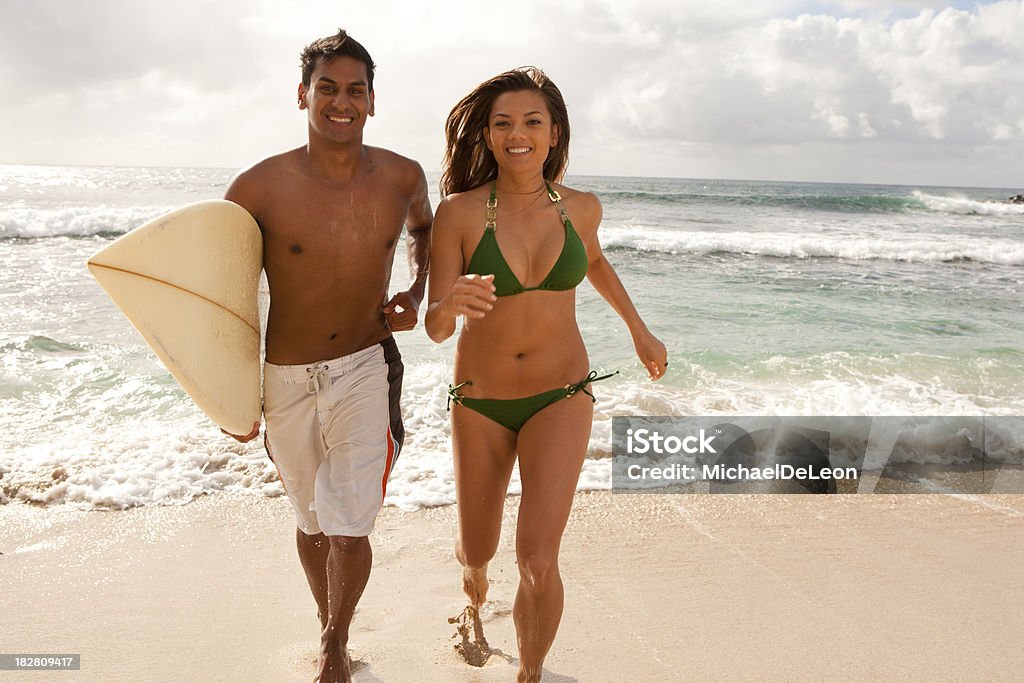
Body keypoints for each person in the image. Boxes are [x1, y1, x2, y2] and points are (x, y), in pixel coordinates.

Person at [424, 67, 667, 682]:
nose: (518, 135)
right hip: (480, 404)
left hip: (562, 393)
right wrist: (448, 303)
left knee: (537, 558)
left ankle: (530, 673)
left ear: (554, 133)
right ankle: (474, 589)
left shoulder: (581, 208)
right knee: (477, 550)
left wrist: (639, 330)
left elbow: (596, 263)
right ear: (487, 134)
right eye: (503, 123)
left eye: (533, 122)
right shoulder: (458, 213)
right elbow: (435, 325)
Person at [224, 29, 432, 683]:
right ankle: (328, 622)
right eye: (327, 88)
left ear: (372, 101)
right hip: (284, 376)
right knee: (310, 519)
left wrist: (416, 292)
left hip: (368, 364)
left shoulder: (402, 176)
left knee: (348, 520)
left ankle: (337, 646)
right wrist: (228, 394)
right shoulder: (256, 187)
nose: (341, 101)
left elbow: (426, 231)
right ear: (302, 95)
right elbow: (222, 298)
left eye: (355, 90)